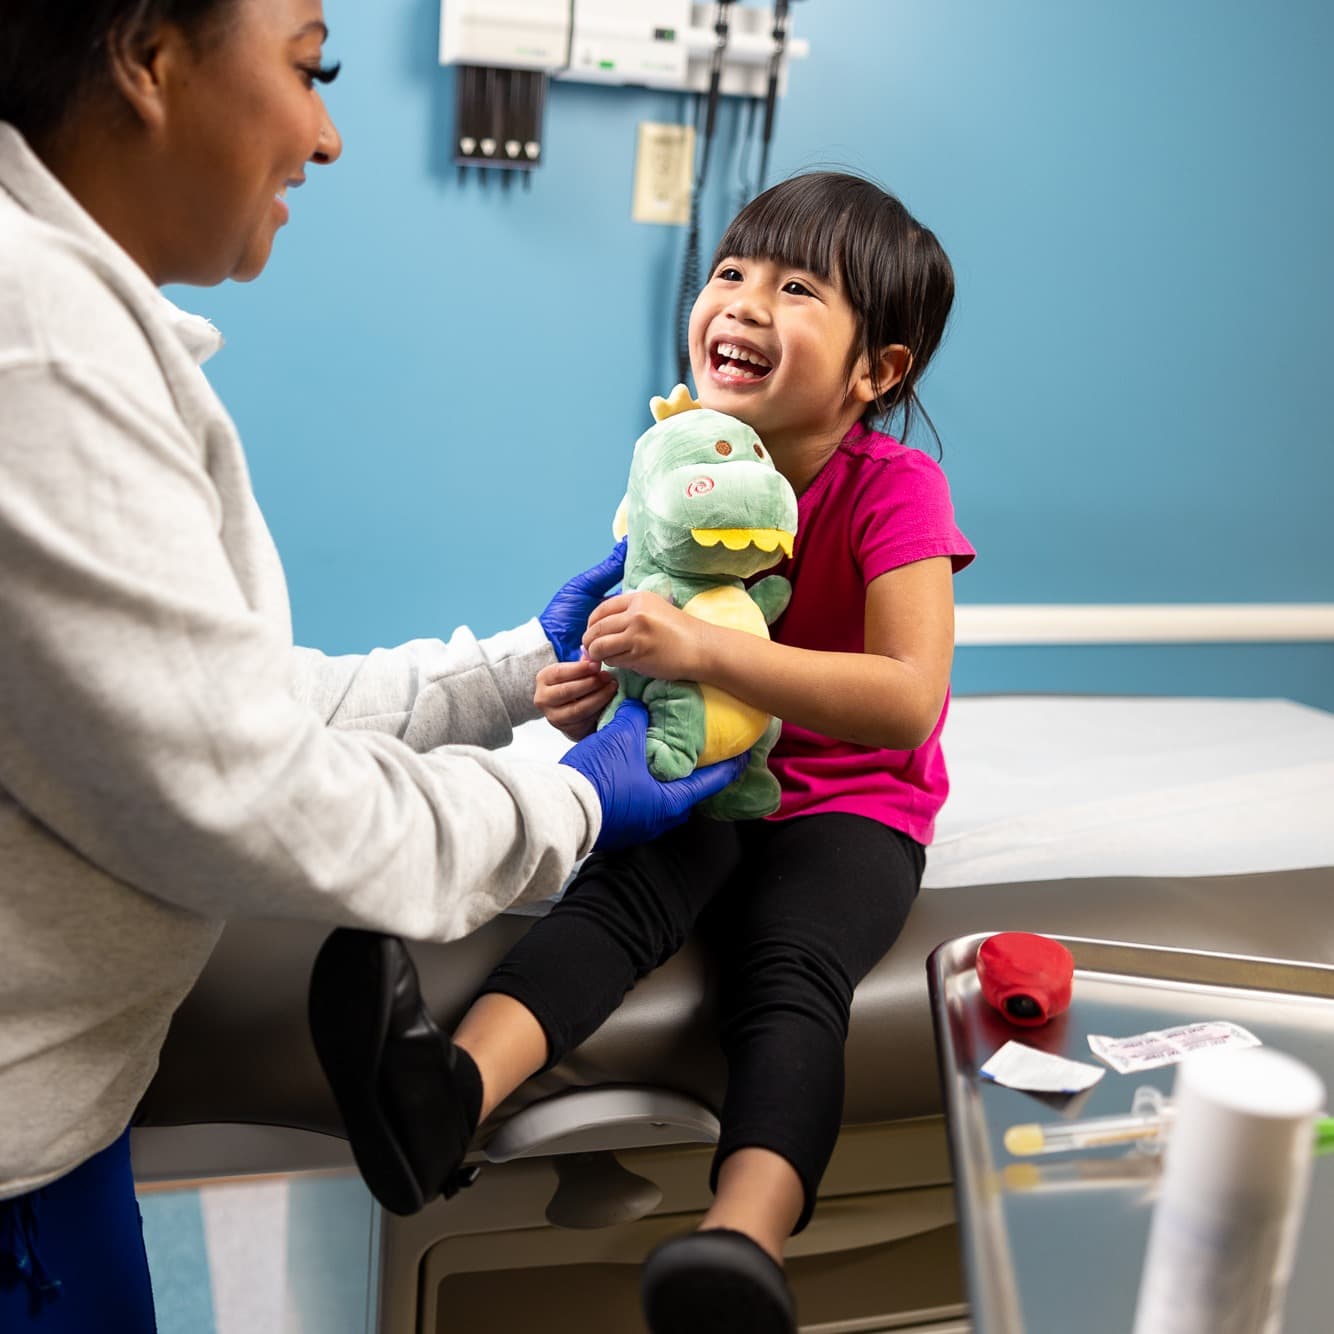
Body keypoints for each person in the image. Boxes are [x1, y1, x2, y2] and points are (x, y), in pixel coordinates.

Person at [0, 1, 744, 1328]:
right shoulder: (38, 347)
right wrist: (569, 803)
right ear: (144, 56)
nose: (328, 135)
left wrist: (525, 665)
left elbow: (231, 700)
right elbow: (246, 788)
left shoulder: (69, 326)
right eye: (309, 68)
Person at [311, 170, 975, 1333]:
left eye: (796, 287)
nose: (743, 302)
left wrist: (706, 658)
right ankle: (442, 1100)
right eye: (729, 273)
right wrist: (590, 686)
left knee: (790, 972)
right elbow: (646, 634)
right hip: (708, 775)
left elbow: (903, 701)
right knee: (610, 907)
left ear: (877, 372)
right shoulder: (681, 465)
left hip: (848, 804)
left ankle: (741, 1240)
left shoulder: (894, 488)